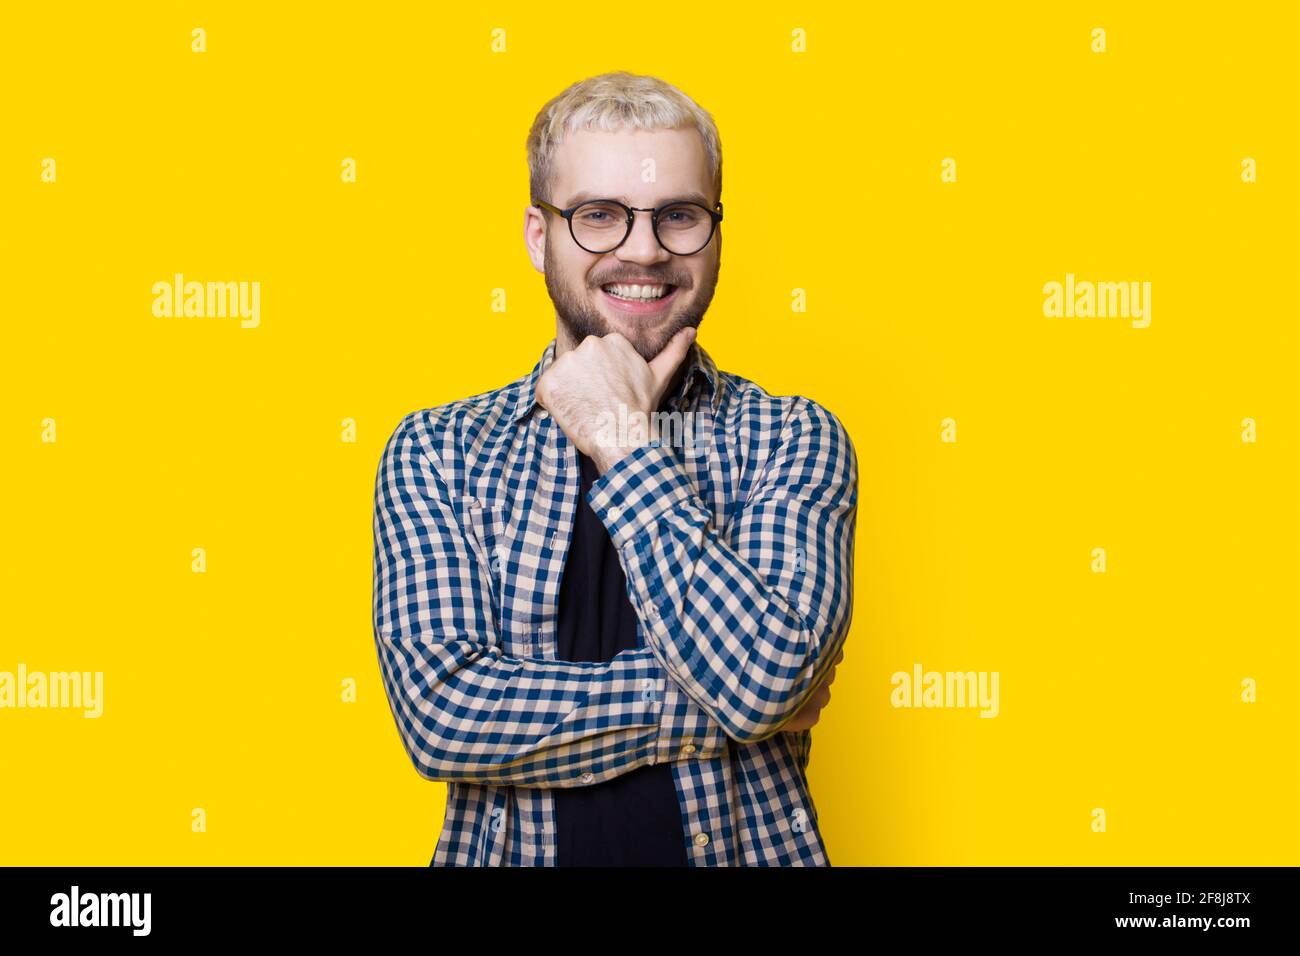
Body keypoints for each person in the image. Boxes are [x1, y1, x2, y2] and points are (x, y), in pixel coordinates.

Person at [372, 71, 856, 866]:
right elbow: (443, 719)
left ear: (717, 232)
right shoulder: (437, 451)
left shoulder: (793, 437)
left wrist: (624, 440)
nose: (643, 248)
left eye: (679, 215)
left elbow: (770, 678)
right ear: (538, 236)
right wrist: (737, 708)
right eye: (599, 216)